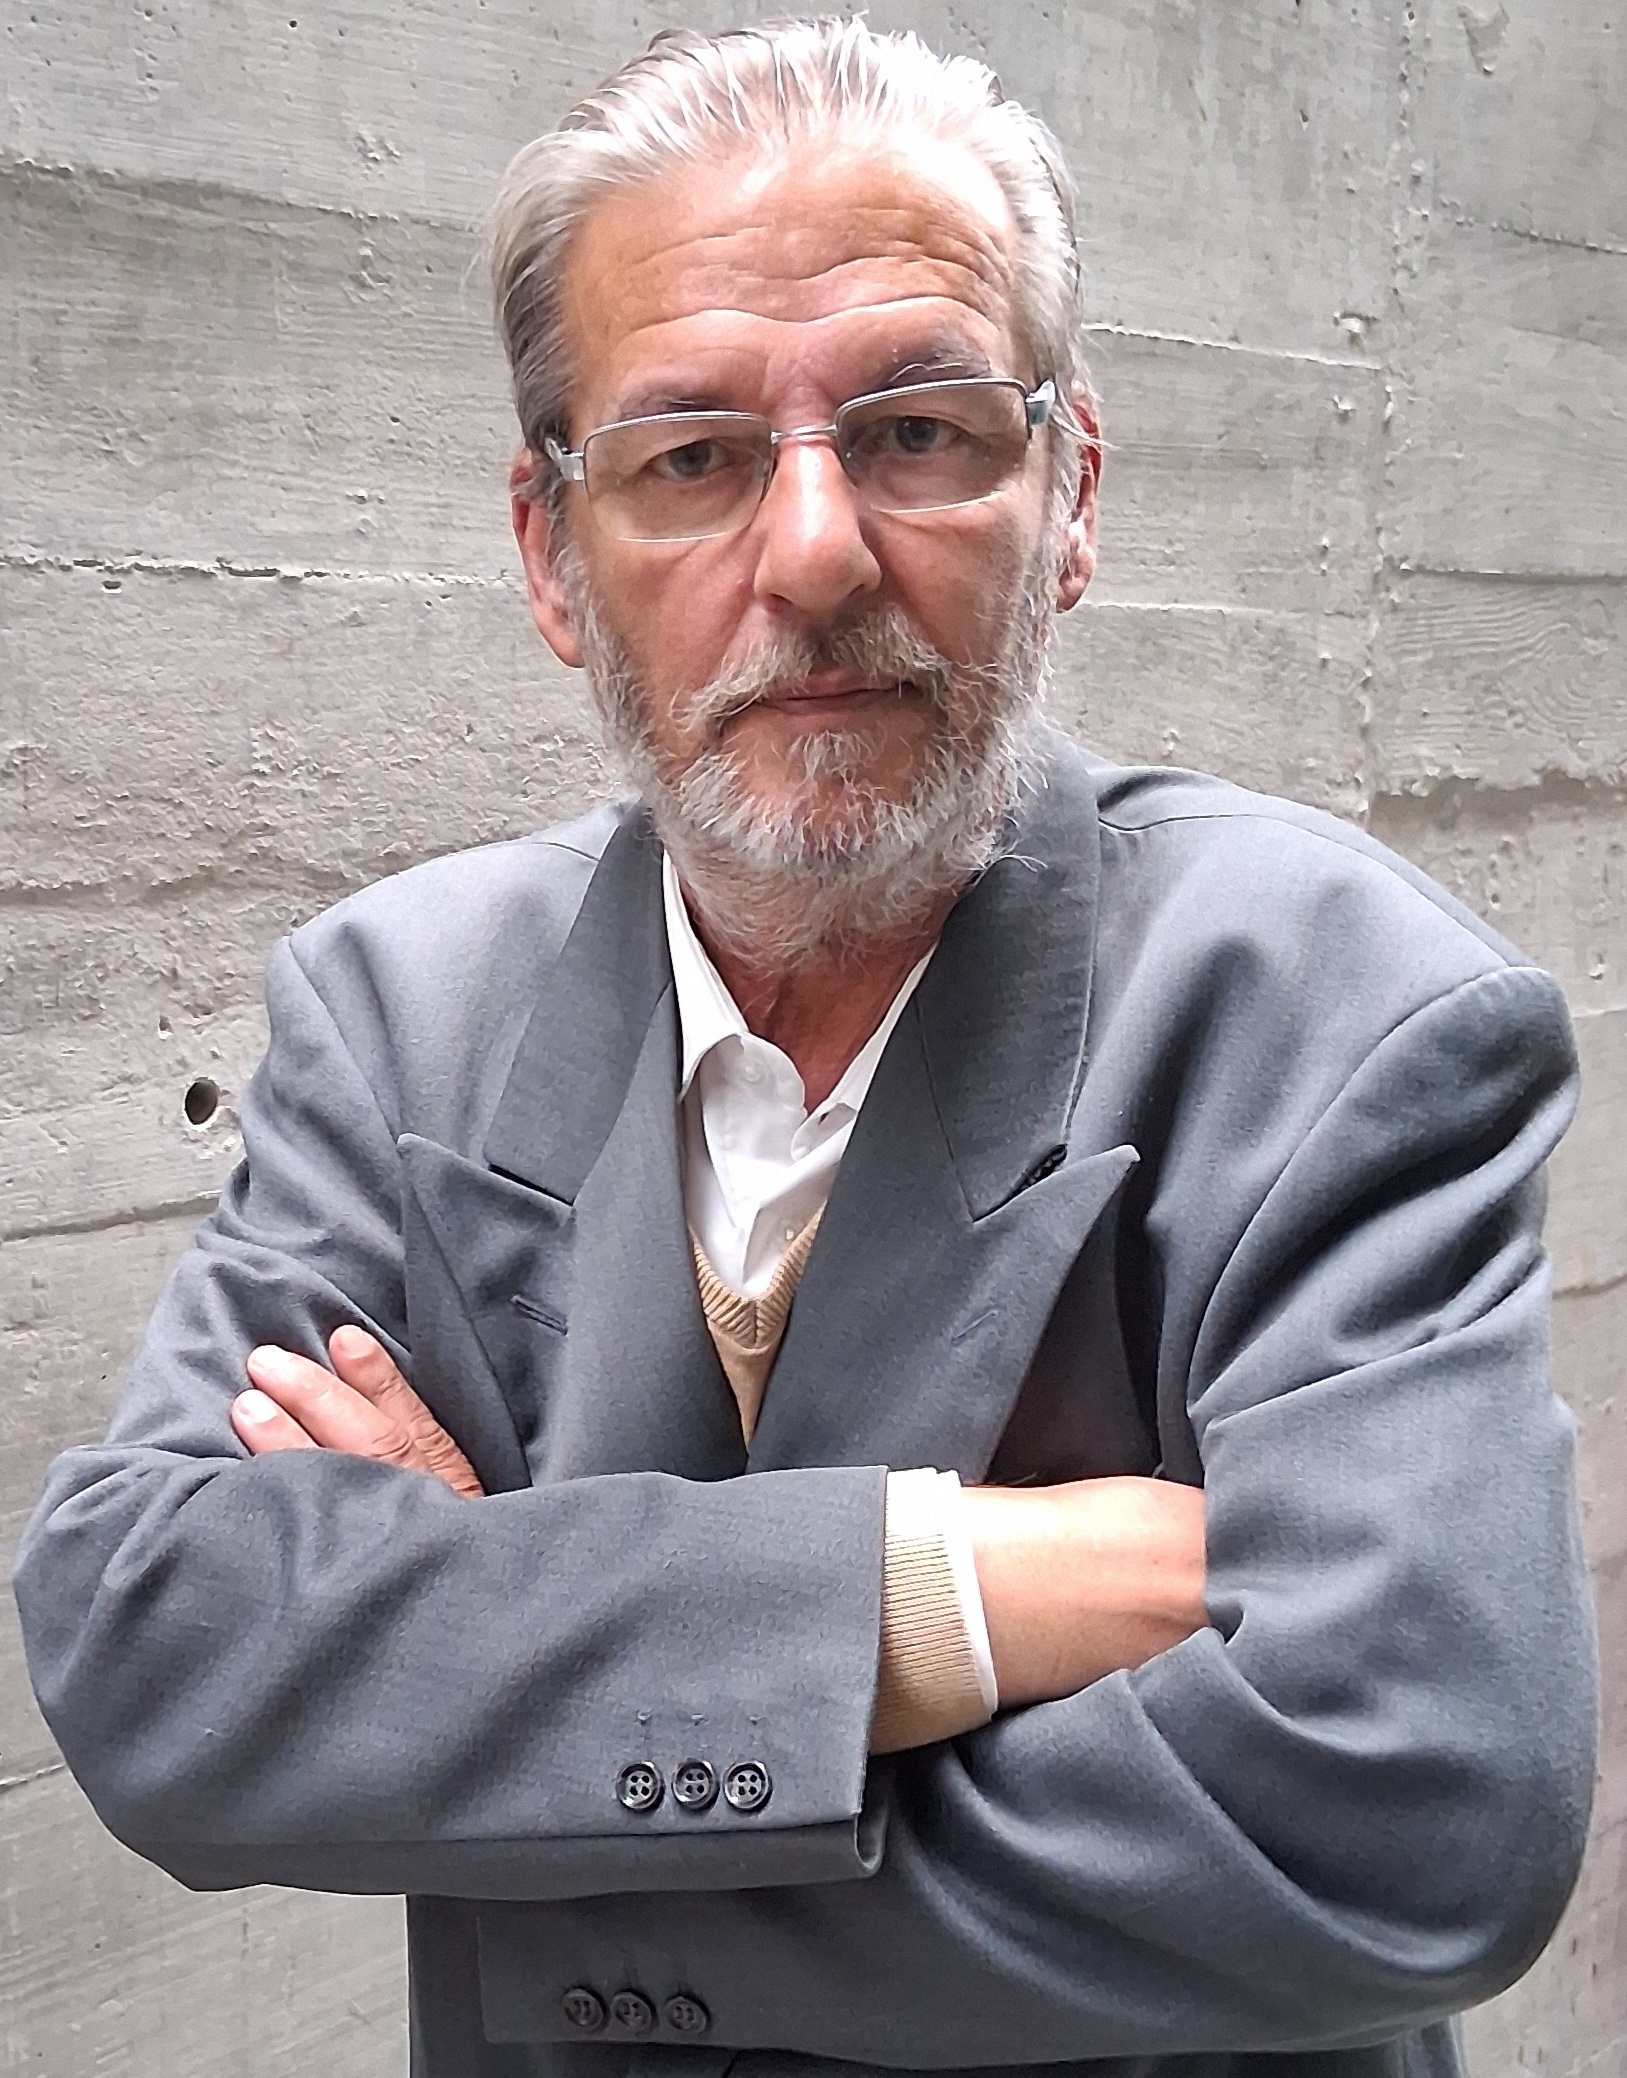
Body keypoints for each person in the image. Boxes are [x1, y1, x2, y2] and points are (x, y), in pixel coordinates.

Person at [16, 19, 1597, 2078]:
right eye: (690, 456)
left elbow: (1422, 1808)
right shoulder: (401, 1013)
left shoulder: (1337, 1011)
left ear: (1072, 495)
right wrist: (945, 1590)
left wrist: (496, 1676)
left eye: (920, 430)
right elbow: (153, 1640)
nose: (820, 549)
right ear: (552, 555)